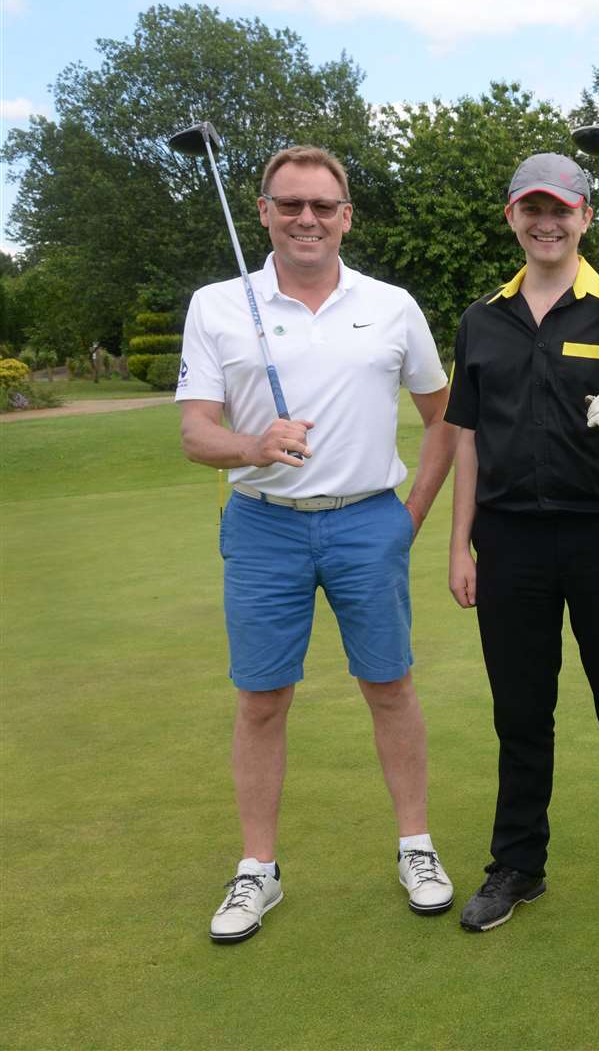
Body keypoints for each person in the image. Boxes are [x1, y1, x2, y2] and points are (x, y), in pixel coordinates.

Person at [177, 145, 457, 943]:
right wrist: (253, 446)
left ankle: (417, 847)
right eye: (290, 204)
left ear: (345, 217)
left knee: (391, 687)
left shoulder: (392, 304)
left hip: (369, 518)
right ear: (263, 211)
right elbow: (198, 433)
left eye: (322, 206)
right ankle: (257, 870)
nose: (307, 218)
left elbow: (444, 418)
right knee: (262, 700)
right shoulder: (218, 304)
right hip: (264, 524)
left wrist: (410, 518)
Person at [446, 151, 599, 932]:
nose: (547, 221)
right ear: (513, 217)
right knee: (521, 712)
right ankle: (517, 864)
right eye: (532, 208)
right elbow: (467, 441)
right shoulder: (483, 318)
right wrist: (460, 547)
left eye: (562, 208)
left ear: (586, 216)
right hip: (510, 542)